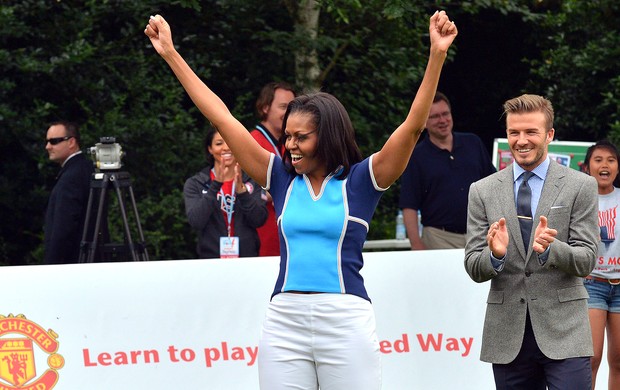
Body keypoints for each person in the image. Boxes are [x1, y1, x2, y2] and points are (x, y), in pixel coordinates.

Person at [146, 10, 456, 389]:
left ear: (326, 136)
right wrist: (171, 54)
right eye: (287, 136)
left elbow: (412, 128)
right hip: (284, 320)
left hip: (345, 318)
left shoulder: (361, 180)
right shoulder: (278, 176)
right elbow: (223, 119)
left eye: (301, 137)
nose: (289, 144)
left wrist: (436, 54)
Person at [464, 94, 599, 389]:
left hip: (565, 330)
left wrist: (552, 249)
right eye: (514, 132)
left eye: (531, 132)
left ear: (549, 135)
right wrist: (495, 256)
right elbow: (473, 266)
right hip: (507, 335)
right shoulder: (482, 191)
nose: (521, 141)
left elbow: (588, 258)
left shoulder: (581, 186)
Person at [399, 91, 495, 249]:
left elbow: (494, 186)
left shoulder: (473, 143)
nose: (442, 120)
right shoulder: (416, 156)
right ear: (424, 121)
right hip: (439, 238)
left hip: (480, 235)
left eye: (445, 114)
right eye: (435, 116)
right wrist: (416, 244)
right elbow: (409, 205)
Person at [184, 128, 267, 258]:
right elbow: (196, 221)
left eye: (229, 141)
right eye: (219, 143)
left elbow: (259, 220)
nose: (226, 147)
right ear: (210, 149)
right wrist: (215, 186)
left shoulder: (252, 180)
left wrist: (243, 193)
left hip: (247, 260)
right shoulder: (196, 183)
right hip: (211, 261)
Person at [582, 139, 620, 389]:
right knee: (591, 357)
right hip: (591, 282)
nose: (604, 165)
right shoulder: (581, 199)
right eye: (598, 160)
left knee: (618, 360)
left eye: (610, 160)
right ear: (587, 167)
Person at [250, 82, 296, 256]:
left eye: (292, 107)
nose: (288, 113)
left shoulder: (292, 144)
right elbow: (244, 189)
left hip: (288, 238)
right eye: (283, 107)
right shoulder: (251, 142)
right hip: (261, 238)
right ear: (265, 108)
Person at [44, 121, 94, 264]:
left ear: (71, 142)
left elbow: (63, 228)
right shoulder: (86, 168)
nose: (48, 147)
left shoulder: (71, 177)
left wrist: (51, 265)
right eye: (47, 142)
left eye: (54, 141)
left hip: (72, 263)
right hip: (88, 259)